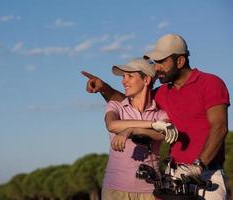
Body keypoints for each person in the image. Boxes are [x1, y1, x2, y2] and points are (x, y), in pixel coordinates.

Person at [81, 33, 230, 200]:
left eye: (161, 62)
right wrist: (104, 88)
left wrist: (197, 166)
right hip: (173, 177)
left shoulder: (210, 83)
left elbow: (220, 127)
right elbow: (129, 101)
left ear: (180, 61)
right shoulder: (162, 92)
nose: (156, 67)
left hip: (206, 175)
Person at [100, 57, 178, 200]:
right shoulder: (115, 106)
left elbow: (162, 134)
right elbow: (112, 125)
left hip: (150, 191)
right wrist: (151, 124)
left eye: (130, 76)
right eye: (123, 77)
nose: (124, 81)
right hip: (115, 191)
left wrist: (132, 130)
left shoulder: (161, 114)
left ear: (146, 80)